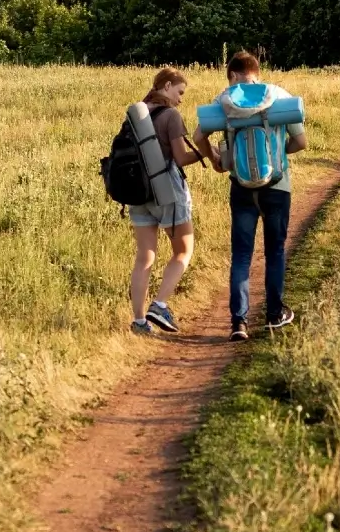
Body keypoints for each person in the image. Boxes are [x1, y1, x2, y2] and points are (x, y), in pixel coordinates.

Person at [192, 51, 308, 342]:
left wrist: (217, 159)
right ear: (258, 71)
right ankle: (274, 315)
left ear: (232, 75)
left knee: (242, 255)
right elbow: (301, 141)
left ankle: (238, 322)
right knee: (275, 252)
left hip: (241, 187)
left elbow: (197, 138)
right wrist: (277, 153)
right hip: (277, 187)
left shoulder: (224, 100)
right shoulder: (278, 95)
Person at [129, 67, 219, 337]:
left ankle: (139, 321)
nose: (181, 99)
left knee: (145, 255)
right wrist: (207, 153)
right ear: (166, 86)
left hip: (137, 191)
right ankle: (160, 304)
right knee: (183, 250)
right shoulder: (170, 115)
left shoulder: (138, 114)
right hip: (166, 189)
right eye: (180, 92)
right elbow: (180, 158)